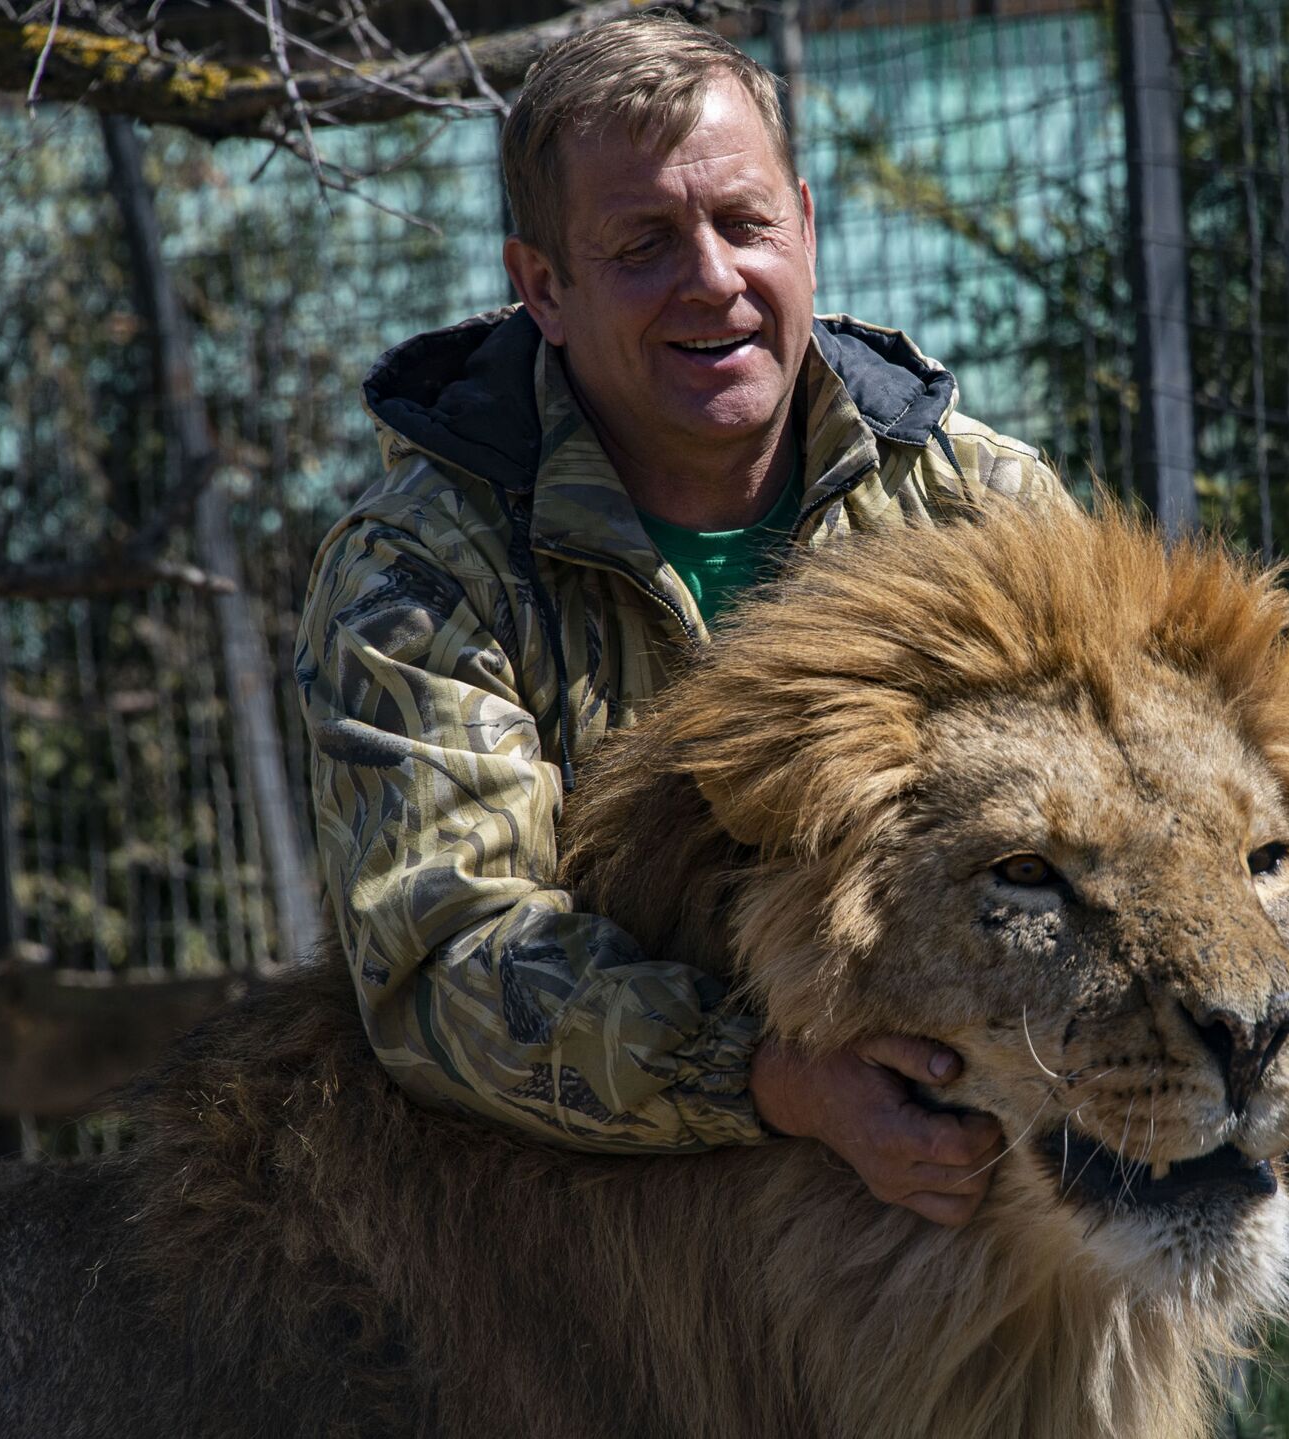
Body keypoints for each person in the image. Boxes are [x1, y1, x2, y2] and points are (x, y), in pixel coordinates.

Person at [295, 11, 1066, 1227]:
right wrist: (767, 1078)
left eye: (746, 223)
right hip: (587, 1243)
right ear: (541, 287)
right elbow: (446, 965)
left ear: (806, 226)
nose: (713, 278)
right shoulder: (418, 573)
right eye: (644, 243)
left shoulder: (986, 505)